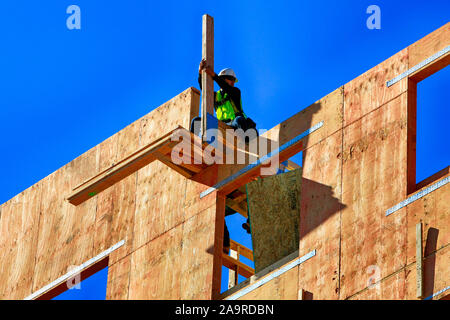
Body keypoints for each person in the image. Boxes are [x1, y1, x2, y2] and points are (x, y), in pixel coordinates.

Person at [192, 60, 254, 254]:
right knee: (196, 121)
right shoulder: (217, 93)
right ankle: (196, 146)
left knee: (240, 122)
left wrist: (213, 76)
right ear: (227, 79)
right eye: (230, 80)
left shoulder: (235, 93)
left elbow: (222, 88)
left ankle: (240, 144)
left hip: (235, 124)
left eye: (232, 81)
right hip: (221, 125)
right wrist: (201, 74)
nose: (233, 83)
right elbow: (206, 90)